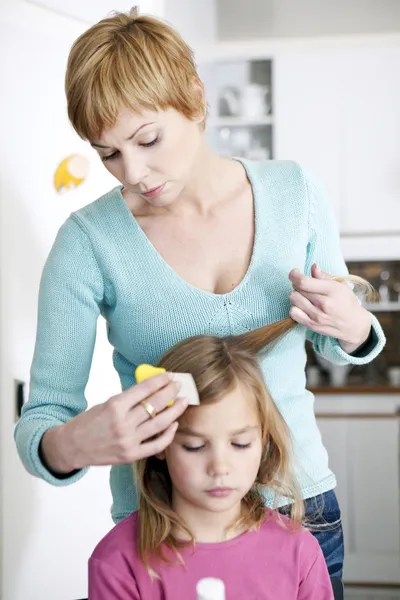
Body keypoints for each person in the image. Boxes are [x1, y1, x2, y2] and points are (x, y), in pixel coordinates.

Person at [14, 7, 385, 580]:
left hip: (298, 509)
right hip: (163, 525)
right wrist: (73, 444)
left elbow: (342, 344)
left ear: (195, 96)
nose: (133, 172)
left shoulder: (296, 194)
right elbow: (41, 420)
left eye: (147, 139)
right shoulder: (87, 243)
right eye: (108, 153)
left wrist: (352, 325)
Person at [89, 319, 335, 599]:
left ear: (263, 440)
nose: (219, 467)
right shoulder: (118, 560)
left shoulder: (299, 551)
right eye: (194, 446)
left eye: (240, 444)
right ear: (159, 441)